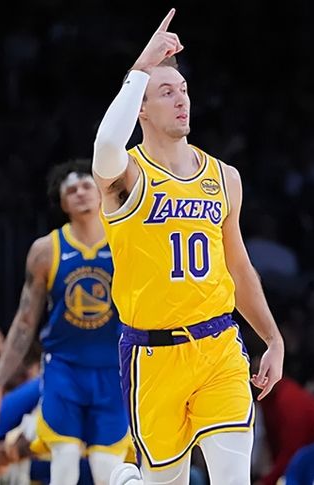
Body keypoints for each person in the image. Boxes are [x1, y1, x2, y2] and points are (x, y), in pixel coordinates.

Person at [91, 9, 284, 485]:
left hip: (218, 346)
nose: (181, 100)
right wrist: (141, 67)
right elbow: (105, 144)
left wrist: (273, 338)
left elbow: (239, 265)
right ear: (140, 108)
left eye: (183, 90)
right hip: (152, 356)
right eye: (166, 92)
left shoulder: (224, 177)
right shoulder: (126, 175)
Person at [0, 159, 130, 485]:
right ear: (62, 203)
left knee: (107, 467)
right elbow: (25, 322)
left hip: (113, 369)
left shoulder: (124, 242)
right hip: (64, 368)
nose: (80, 193)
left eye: (86, 186)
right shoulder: (46, 250)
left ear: (100, 192)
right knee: (64, 459)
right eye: (71, 190)